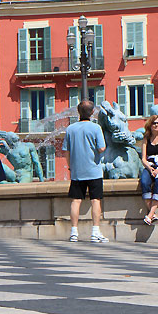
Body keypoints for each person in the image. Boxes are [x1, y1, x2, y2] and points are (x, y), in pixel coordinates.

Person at [62, 100, 108, 242]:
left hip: (77, 171)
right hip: (94, 170)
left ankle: (74, 232)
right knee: (95, 200)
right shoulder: (96, 128)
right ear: (92, 112)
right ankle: (95, 232)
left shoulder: (70, 129)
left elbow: (66, 151)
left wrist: (71, 167)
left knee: (76, 201)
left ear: (78, 112)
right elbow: (101, 148)